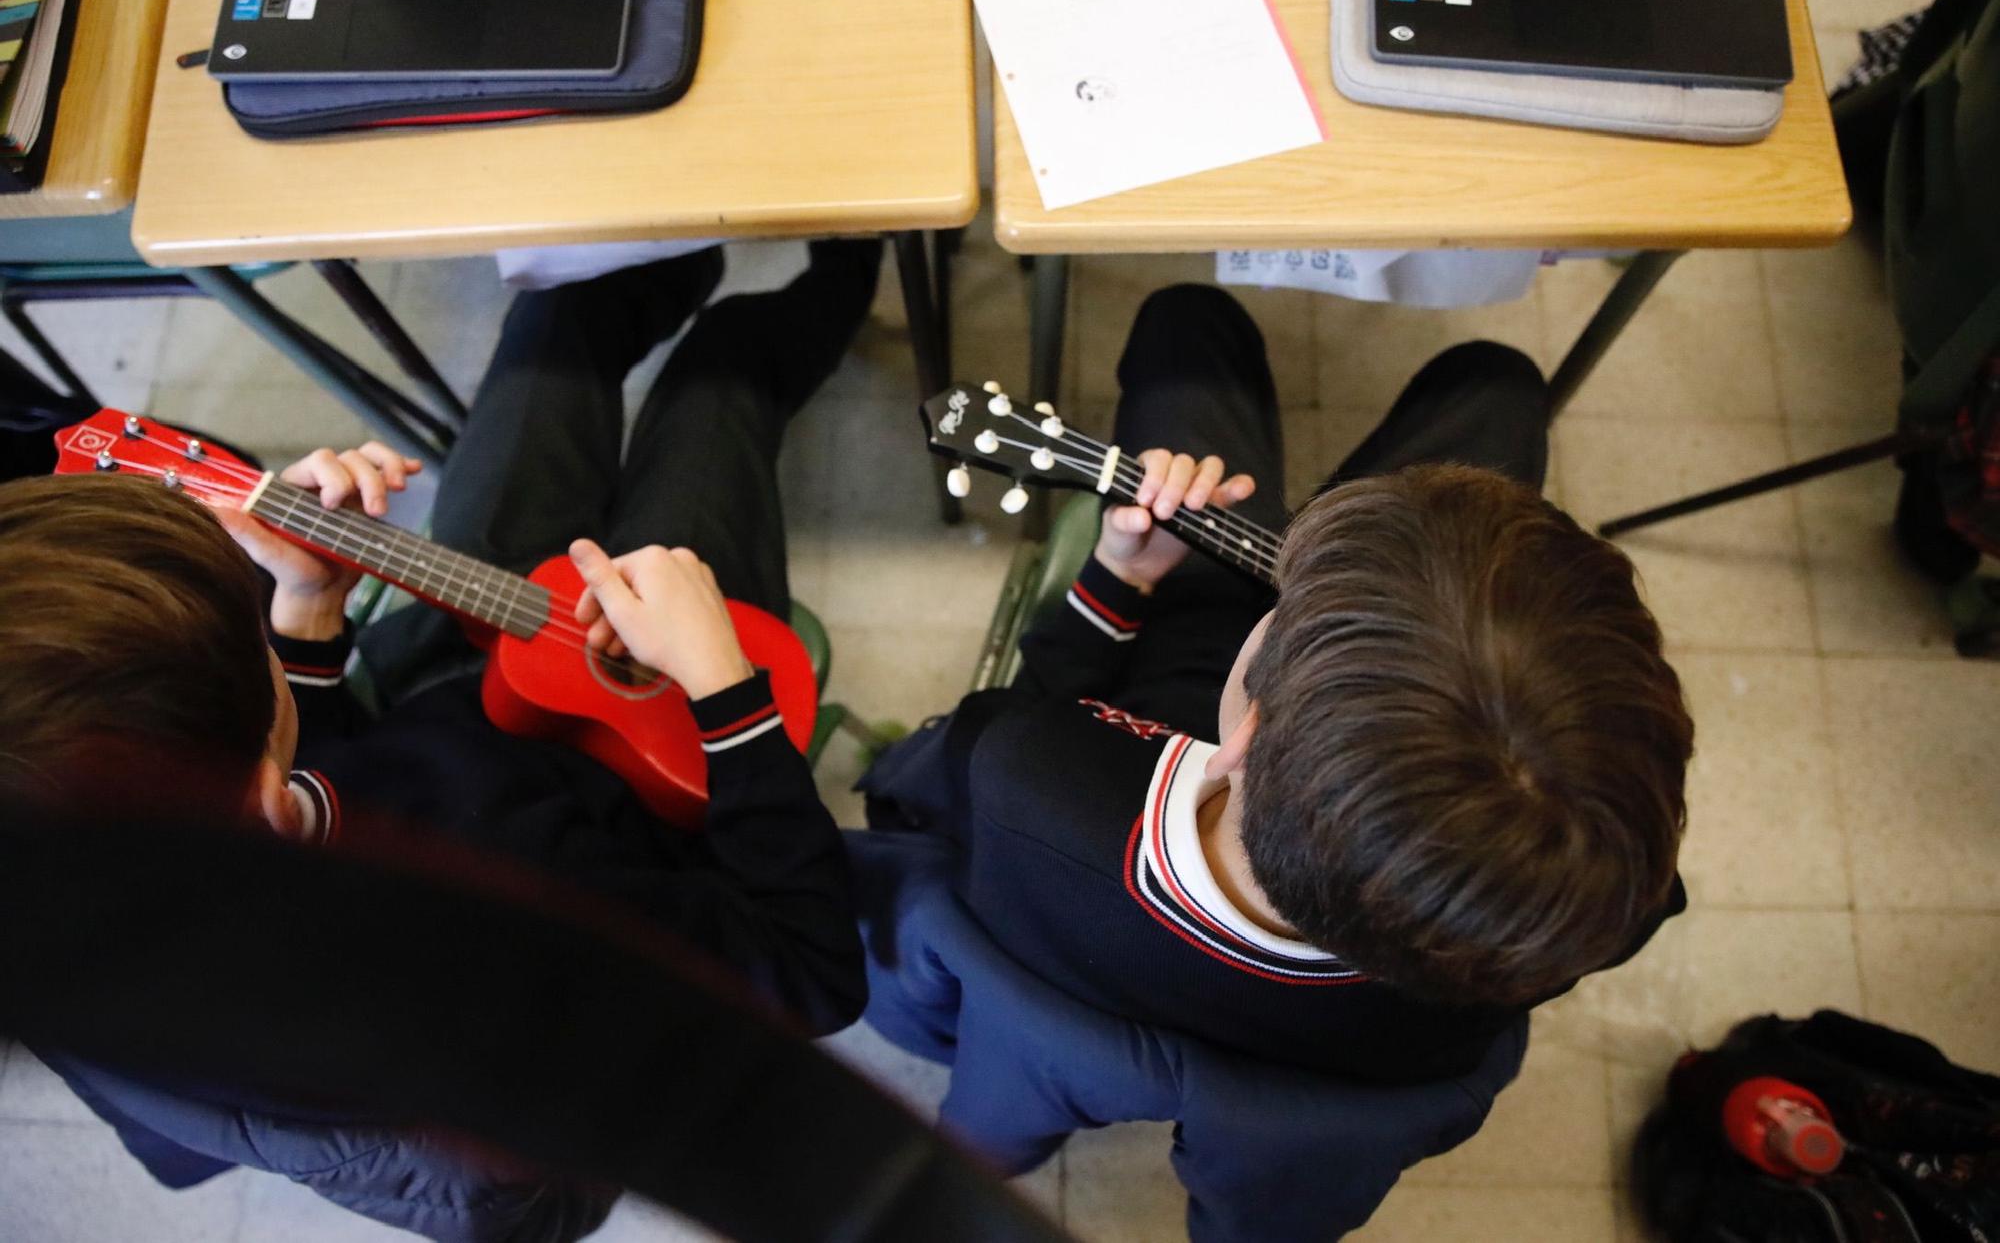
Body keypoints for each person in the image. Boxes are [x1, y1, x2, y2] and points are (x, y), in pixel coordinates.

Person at [0, 241, 883, 1242]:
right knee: (716, 389)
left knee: (558, 328)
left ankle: (687, 244)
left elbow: (320, 763)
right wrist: (727, 688)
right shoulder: (507, 933)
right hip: (644, 755)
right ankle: (851, 265)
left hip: (457, 702)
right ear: (247, 770)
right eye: (245, 629)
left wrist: (304, 611)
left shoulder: (143, 880)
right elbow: (814, 971)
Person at [863, 283, 1693, 1085]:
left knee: (1188, 325)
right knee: (1499, 385)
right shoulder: (1555, 913)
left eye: (1287, 608)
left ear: (1247, 734)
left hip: (1162, 703)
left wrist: (1119, 578)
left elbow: (916, 785)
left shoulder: (1030, 777)